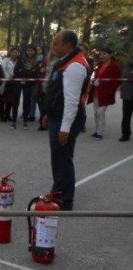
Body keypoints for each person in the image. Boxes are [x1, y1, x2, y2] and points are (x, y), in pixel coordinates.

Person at [43, 30, 89, 211]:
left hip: (66, 120)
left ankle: (65, 200)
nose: (53, 47)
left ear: (67, 45)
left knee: (63, 159)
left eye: (56, 43)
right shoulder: (66, 62)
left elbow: (71, 101)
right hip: (57, 116)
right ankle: (58, 192)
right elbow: (57, 93)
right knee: (58, 158)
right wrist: (48, 113)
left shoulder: (75, 66)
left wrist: (65, 128)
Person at [89, 47, 122, 140]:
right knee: (96, 113)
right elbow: (96, 76)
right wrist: (94, 81)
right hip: (96, 92)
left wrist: (111, 88)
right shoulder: (99, 65)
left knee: (100, 112)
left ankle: (100, 132)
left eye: (104, 54)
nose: (102, 56)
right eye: (101, 54)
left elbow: (117, 80)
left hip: (106, 93)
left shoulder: (114, 66)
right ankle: (97, 130)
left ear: (110, 55)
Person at [14, 45, 40, 129]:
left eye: (31, 50)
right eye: (28, 50)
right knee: (16, 101)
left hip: (28, 84)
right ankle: (14, 121)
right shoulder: (21, 59)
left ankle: (25, 121)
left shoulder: (37, 61)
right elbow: (16, 71)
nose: (29, 52)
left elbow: (35, 73)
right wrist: (25, 73)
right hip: (18, 82)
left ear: (34, 51)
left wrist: (24, 73)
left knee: (26, 102)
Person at [0, 47, 19, 123]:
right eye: (13, 52)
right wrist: (8, 77)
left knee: (10, 100)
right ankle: (2, 115)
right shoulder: (5, 60)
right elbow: (3, 70)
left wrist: (14, 77)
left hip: (14, 83)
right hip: (6, 82)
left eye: (16, 52)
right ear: (10, 53)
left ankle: (8, 114)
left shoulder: (19, 62)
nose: (14, 54)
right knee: (2, 99)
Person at [120, 55, 133, 142]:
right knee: (126, 117)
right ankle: (125, 134)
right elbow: (126, 75)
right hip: (128, 96)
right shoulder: (129, 64)